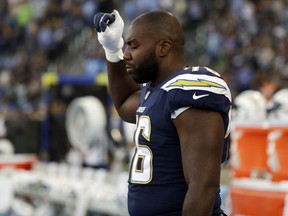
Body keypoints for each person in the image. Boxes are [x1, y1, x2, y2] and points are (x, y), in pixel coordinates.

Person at [93, 9, 231, 216]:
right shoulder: (156, 90)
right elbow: (123, 104)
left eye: (134, 45)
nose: (127, 54)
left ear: (164, 48)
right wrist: (113, 50)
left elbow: (203, 186)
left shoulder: (190, 89)